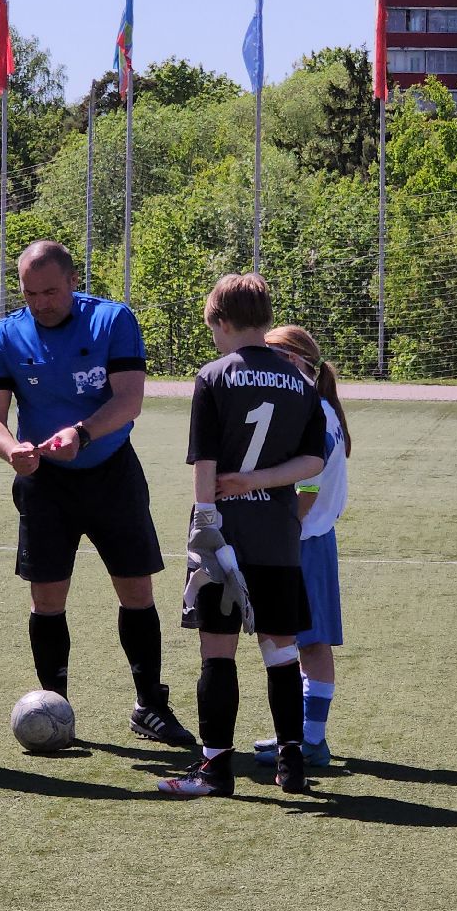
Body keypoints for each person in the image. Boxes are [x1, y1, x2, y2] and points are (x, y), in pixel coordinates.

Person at [0, 239, 193, 745]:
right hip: (44, 484)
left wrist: (84, 434)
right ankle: (55, 708)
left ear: (73, 281)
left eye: (50, 291)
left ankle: (150, 707)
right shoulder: (6, 335)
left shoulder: (112, 321)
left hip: (111, 472)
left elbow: (130, 399)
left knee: (136, 590)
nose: (41, 303)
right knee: (47, 598)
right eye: (31, 293)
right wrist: (11, 450)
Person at [158, 274, 326, 798]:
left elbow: (204, 459)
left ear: (222, 322)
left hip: (223, 533)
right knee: (280, 652)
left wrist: (207, 516)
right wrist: (258, 481)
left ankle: (214, 769)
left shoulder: (213, 376)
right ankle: (292, 763)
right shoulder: (301, 381)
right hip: (277, 533)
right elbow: (314, 461)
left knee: (218, 652)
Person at [252, 325, 352, 769]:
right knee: (296, 642)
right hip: (305, 538)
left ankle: (311, 740)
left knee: (307, 644)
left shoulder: (313, 411)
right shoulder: (315, 405)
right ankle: (296, 732)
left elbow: (308, 486)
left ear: (293, 362)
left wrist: (280, 529)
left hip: (302, 542)